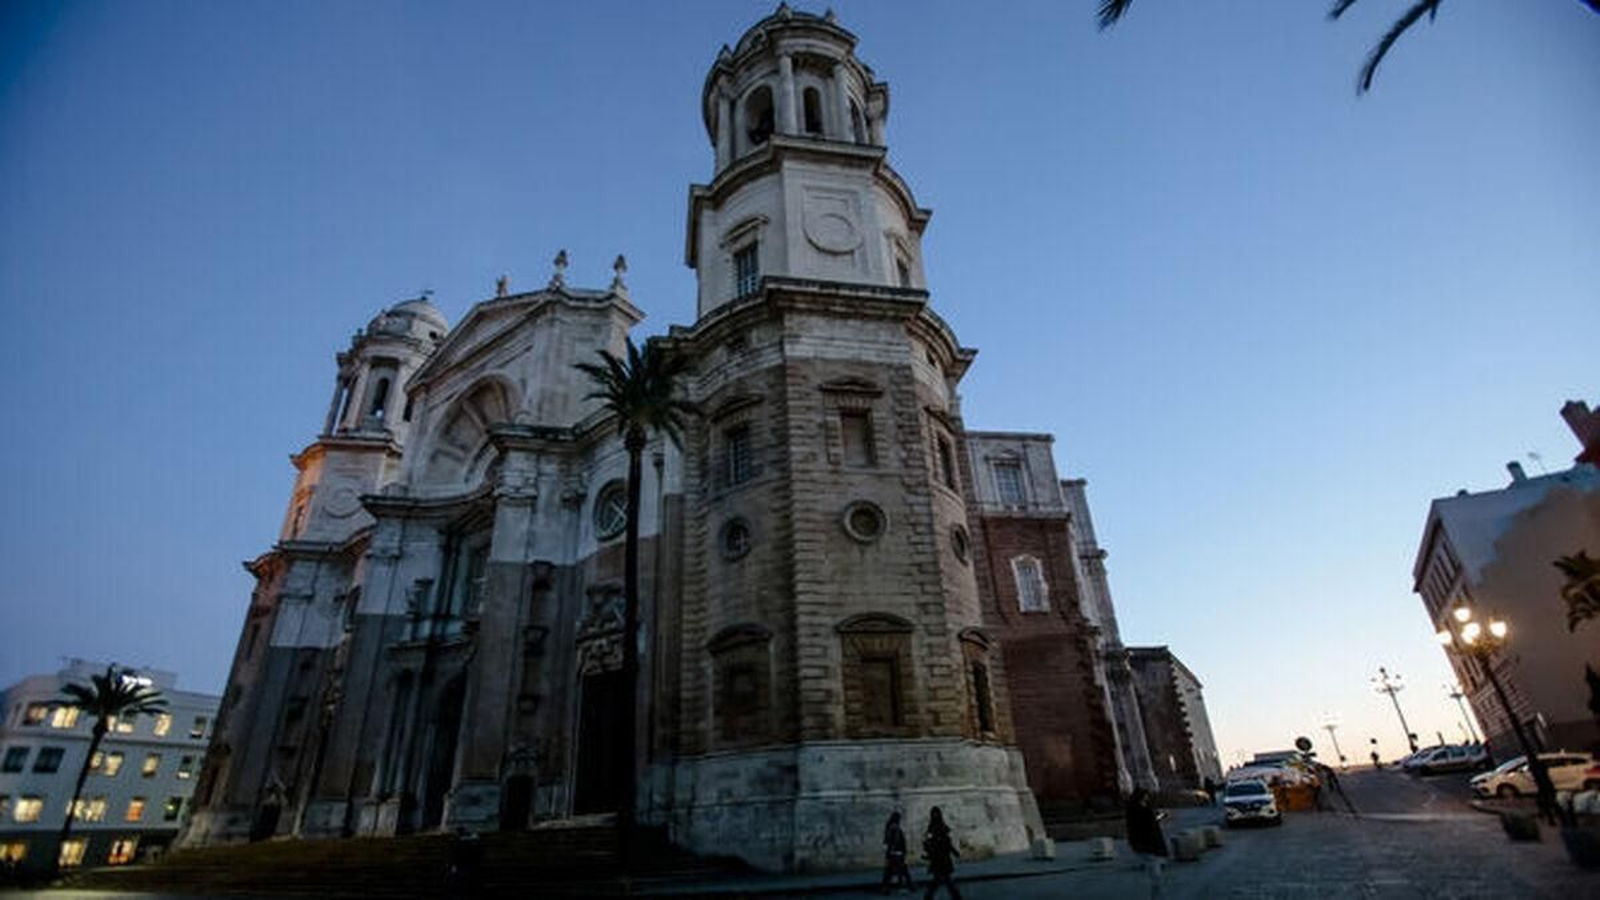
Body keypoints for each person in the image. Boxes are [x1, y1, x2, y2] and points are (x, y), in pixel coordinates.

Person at [1125, 788, 1168, 897]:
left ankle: (1157, 894)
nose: (1147, 798)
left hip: (1142, 844)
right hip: (1148, 844)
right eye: (1146, 796)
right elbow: (1149, 823)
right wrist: (1159, 817)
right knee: (1155, 875)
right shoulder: (1142, 810)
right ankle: (1157, 896)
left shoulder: (1133, 810)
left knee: (1154, 872)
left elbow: (1146, 823)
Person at [921, 806, 961, 900]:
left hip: (942, 857)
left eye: (937, 813)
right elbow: (928, 842)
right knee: (943, 879)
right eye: (934, 814)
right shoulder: (933, 828)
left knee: (941, 879)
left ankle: (929, 896)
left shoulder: (940, 826)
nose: (936, 815)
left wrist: (954, 851)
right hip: (938, 857)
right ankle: (956, 896)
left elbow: (947, 842)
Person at [881, 811, 912, 894]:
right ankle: (907, 886)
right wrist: (902, 851)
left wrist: (888, 853)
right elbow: (897, 842)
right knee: (902, 870)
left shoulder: (889, 828)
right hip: (897, 853)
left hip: (893, 853)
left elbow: (887, 842)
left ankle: (886, 888)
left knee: (890, 872)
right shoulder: (895, 828)